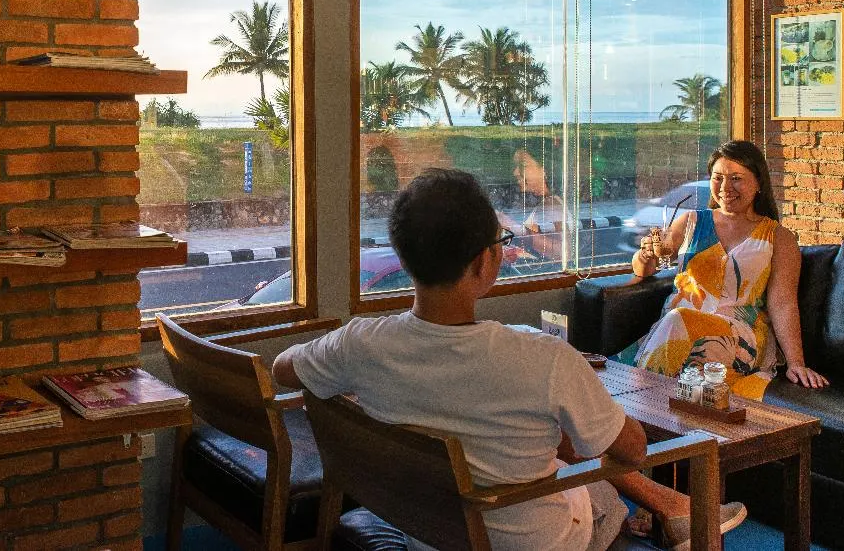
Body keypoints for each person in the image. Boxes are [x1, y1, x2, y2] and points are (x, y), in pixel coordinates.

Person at [274, 168, 745, 551]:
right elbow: (634, 450)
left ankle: (666, 510)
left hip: (425, 531)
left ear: (404, 254)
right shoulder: (544, 358)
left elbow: (282, 369)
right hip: (535, 539)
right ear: (486, 262)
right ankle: (672, 513)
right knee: (595, 484)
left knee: (554, 447)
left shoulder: (359, 342)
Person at [625, 139, 829, 397]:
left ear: (758, 183)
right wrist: (645, 254)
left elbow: (783, 303)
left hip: (737, 337)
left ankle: (638, 398)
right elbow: (645, 269)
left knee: (677, 321)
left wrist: (796, 363)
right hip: (675, 334)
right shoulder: (691, 221)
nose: (724, 188)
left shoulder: (778, 237)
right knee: (676, 339)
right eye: (717, 178)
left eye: (736, 179)